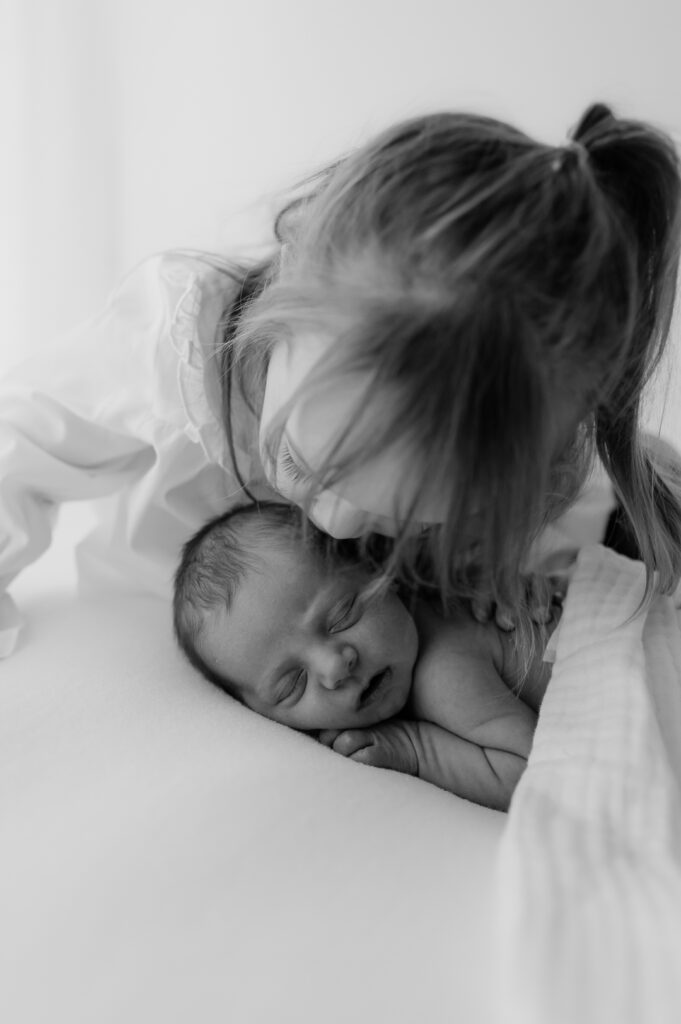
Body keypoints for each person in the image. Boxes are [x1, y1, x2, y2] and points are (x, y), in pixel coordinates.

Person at [2, 102, 680, 659]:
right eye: (301, 462)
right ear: (288, 281)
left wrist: (526, 571)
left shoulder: (532, 455)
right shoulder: (176, 350)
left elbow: (570, 526)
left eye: (401, 517)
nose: (331, 520)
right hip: (154, 637)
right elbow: (23, 439)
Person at [173, 502, 560, 811]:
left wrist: (415, 749)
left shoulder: (442, 673)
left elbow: (539, 776)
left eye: (342, 616)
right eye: (292, 685)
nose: (334, 667)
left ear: (378, 569)